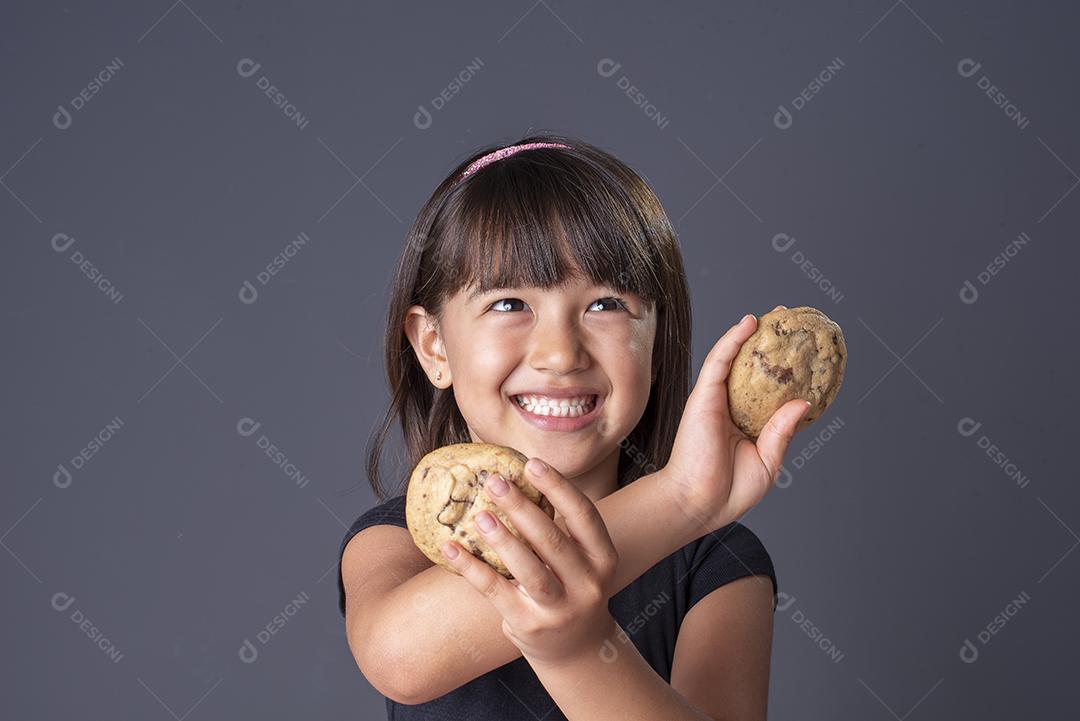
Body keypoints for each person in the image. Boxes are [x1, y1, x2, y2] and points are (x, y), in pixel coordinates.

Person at [336, 133, 812, 720]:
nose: (560, 354)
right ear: (433, 346)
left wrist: (579, 652)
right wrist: (680, 499)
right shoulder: (400, 540)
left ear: (658, 344)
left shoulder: (715, 564)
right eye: (509, 304)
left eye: (606, 304)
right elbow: (402, 657)